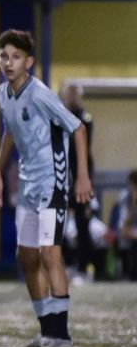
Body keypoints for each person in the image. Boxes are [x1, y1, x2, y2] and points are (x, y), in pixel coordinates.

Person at [0, 29, 93, 347]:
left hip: (53, 182)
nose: (9, 62)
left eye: (16, 57)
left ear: (29, 62)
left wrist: (82, 178)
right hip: (28, 186)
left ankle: (61, 337)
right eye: (4, 56)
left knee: (51, 254)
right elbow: (10, 131)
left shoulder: (41, 94)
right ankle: (47, 329)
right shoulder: (2, 95)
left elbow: (77, 128)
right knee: (27, 257)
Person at [60, 82, 99, 281]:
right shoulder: (59, 118)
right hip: (63, 179)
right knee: (57, 223)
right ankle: (64, 265)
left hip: (80, 180)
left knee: (82, 225)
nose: (71, 98)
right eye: (68, 94)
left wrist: (83, 179)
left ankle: (85, 267)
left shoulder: (84, 120)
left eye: (74, 95)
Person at [110, 169, 137, 280]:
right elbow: (122, 228)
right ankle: (129, 272)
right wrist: (133, 205)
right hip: (129, 234)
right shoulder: (125, 198)